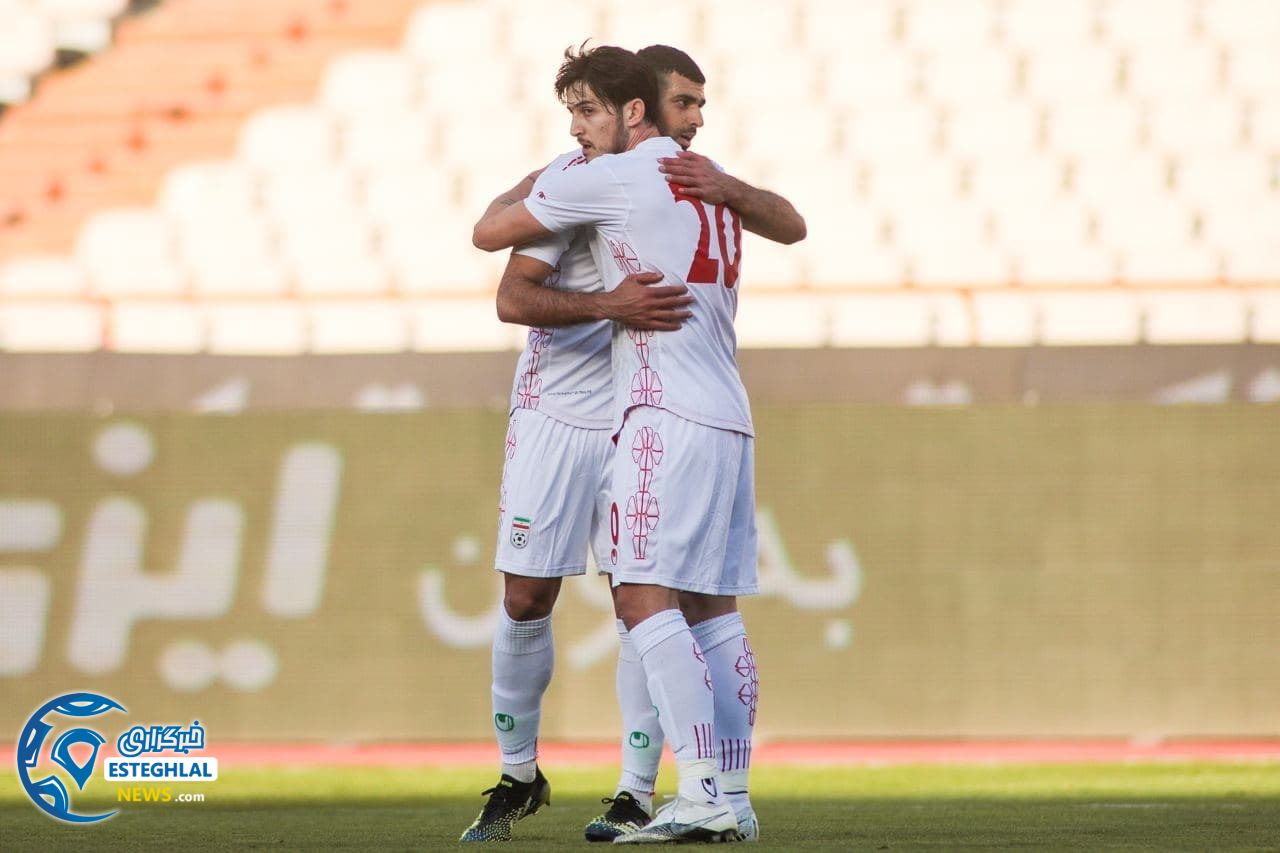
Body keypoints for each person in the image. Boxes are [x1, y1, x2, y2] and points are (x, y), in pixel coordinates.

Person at [474, 44, 803, 844]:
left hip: (661, 411)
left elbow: (488, 233)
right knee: (710, 611)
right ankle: (730, 791)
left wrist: (556, 181)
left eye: (591, 111)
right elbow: (790, 223)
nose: (696, 121)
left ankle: (691, 792)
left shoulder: (620, 176)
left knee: (641, 599)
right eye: (685, 105)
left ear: (630, 113)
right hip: (720, 408)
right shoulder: (701, 184)